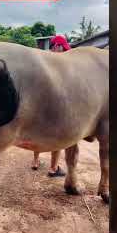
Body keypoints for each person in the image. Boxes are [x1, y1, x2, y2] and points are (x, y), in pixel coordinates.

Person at [31, 35, 72, 177]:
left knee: (37, 133)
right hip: (57, 105)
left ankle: (35, 162)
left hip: (40, 105)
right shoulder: (64, 63)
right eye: (63, 47)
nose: (65, 51)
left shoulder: (43, 60)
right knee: (59, 137)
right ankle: (53, 168)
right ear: (57, 46)